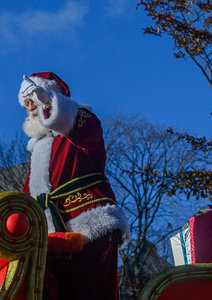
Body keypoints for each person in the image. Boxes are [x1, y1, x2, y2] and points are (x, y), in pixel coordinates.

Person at [18, 72, 130, 300]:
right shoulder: (37, 148)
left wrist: (49, 102)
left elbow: (76, 124)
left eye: (31, 97)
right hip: (50, 238)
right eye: (24, 101)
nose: (28, 105)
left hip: (90, 223)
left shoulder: (79, 122)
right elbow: (29, 195)